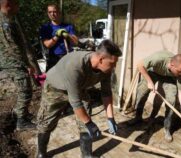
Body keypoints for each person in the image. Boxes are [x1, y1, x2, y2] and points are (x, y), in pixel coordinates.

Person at [36, 40, 122, 158]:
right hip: (55, 88)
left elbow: (106, 93)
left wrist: (110, 118)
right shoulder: (75, 66)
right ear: (101, 59)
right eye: (112, 63)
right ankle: (41, 153)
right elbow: (75, 102)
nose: (114, 66)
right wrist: (90, 124)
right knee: (46, 121)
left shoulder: (106, 70)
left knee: (84, 122)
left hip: (79, 89)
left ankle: (86, 154)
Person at [129, 51, 181, 142]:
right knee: (141, 91)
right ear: (172, 65)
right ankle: (137, 117)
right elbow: (140, 64)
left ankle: (167, 128)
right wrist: (149, 81)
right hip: (154, 72)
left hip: (170, 78)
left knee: (171, 100)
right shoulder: (159, 58)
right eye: (179, 71)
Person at [0, 0, 37, 130]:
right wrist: (26, 64)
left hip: (15, 62)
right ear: (8, 5)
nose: (19, 7)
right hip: (14, 63)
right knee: (25, 91)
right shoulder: (4, 23)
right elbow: (12, 47)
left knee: (25, 90)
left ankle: (22, 115)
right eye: (16, 4)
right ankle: (21, 121)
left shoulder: (8, 20)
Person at [40, 4, 78, 71]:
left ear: (59, 13)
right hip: (53, 59)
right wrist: (57, 36)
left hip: (67, 57)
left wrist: (68, 35)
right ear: (47, 14)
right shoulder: (45, 28)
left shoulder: (68, 26)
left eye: (54, 11)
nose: (52, 14)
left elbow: (76, 42)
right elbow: (47, 45)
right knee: (53, 80)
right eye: (50, 12)